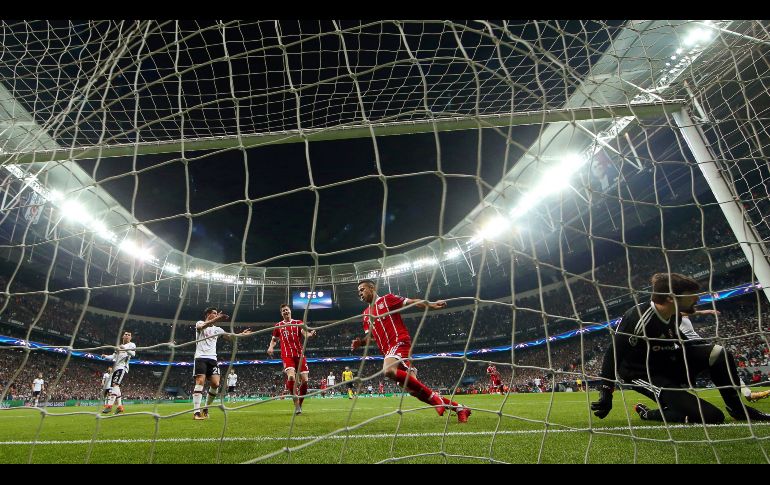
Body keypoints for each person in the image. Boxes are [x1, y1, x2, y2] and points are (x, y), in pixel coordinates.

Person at [591, 273, 770, 424]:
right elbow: (612, 353)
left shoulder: (673, 315)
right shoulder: (638, 319)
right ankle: (648, 413)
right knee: (713, 417)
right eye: (691, 294)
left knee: (718, 353)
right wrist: (606, 392)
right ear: (670, 297)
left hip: (668, 364)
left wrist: (707, 357)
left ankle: (738, 409)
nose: (697, 298)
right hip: (642, 375)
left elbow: (684, 343)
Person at [351, 279, 471, 422]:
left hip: (398, 341)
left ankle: (436, 400)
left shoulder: (387, 300)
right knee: (413, 390)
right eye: (359, 292)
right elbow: (370, 335)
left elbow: (411, 301)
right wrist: (361, 342)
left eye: (362, 289)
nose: (360, 293)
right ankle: (459, 408)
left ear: (372, 288)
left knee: (388, 370)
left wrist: (430, 304)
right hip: (388, 351)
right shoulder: (365, 314)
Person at [678, 308, 770, 403]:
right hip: (691, 346)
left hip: (700, 344)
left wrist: (709, 311)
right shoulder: (675, 314)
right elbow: (689, 311)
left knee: (727, 368)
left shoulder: (683, 315)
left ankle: (747, 394)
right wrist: (708, 311)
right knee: (723, 366)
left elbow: (694, 312)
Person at [193, 307, 253, 420]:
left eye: (216, 314)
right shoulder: (200, 323)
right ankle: (196, 412)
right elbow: (202, 327)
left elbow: (230, 337)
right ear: (207, 314)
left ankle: (205, 408)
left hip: (213, 359)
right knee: (200, 381)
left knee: (215, 384)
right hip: (200, 357)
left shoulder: (218, 329)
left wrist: (241, 335)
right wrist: (217, 319)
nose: (216, 315)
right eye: (214, 313)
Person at [267, 304, 316, 415]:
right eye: (283, 311)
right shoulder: (278, 325)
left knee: (305, 380)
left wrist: (310, 335)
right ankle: (296, 404)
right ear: (281, 313)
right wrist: (270, 347)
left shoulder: (298, 322)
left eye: (287, 310)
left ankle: (300, 403)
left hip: (299, 354)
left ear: (290, 311)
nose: (285, 312)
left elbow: (305, 333)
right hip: (287, 355)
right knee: (291, 376)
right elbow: (274, 339)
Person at [101, 331, 136, 414]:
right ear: (122, 336)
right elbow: (113, 357)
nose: (127, 336)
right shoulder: (118, 347)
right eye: (126, 334)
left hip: (122, 367)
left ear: (130, 338)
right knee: (117, 388)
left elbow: (133, 354)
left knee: (115, 385)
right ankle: (120, 407)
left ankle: (109, 406)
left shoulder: (132, 345)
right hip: (115, 368)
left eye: (129, 335)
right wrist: (106, 356)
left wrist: (124, 348)